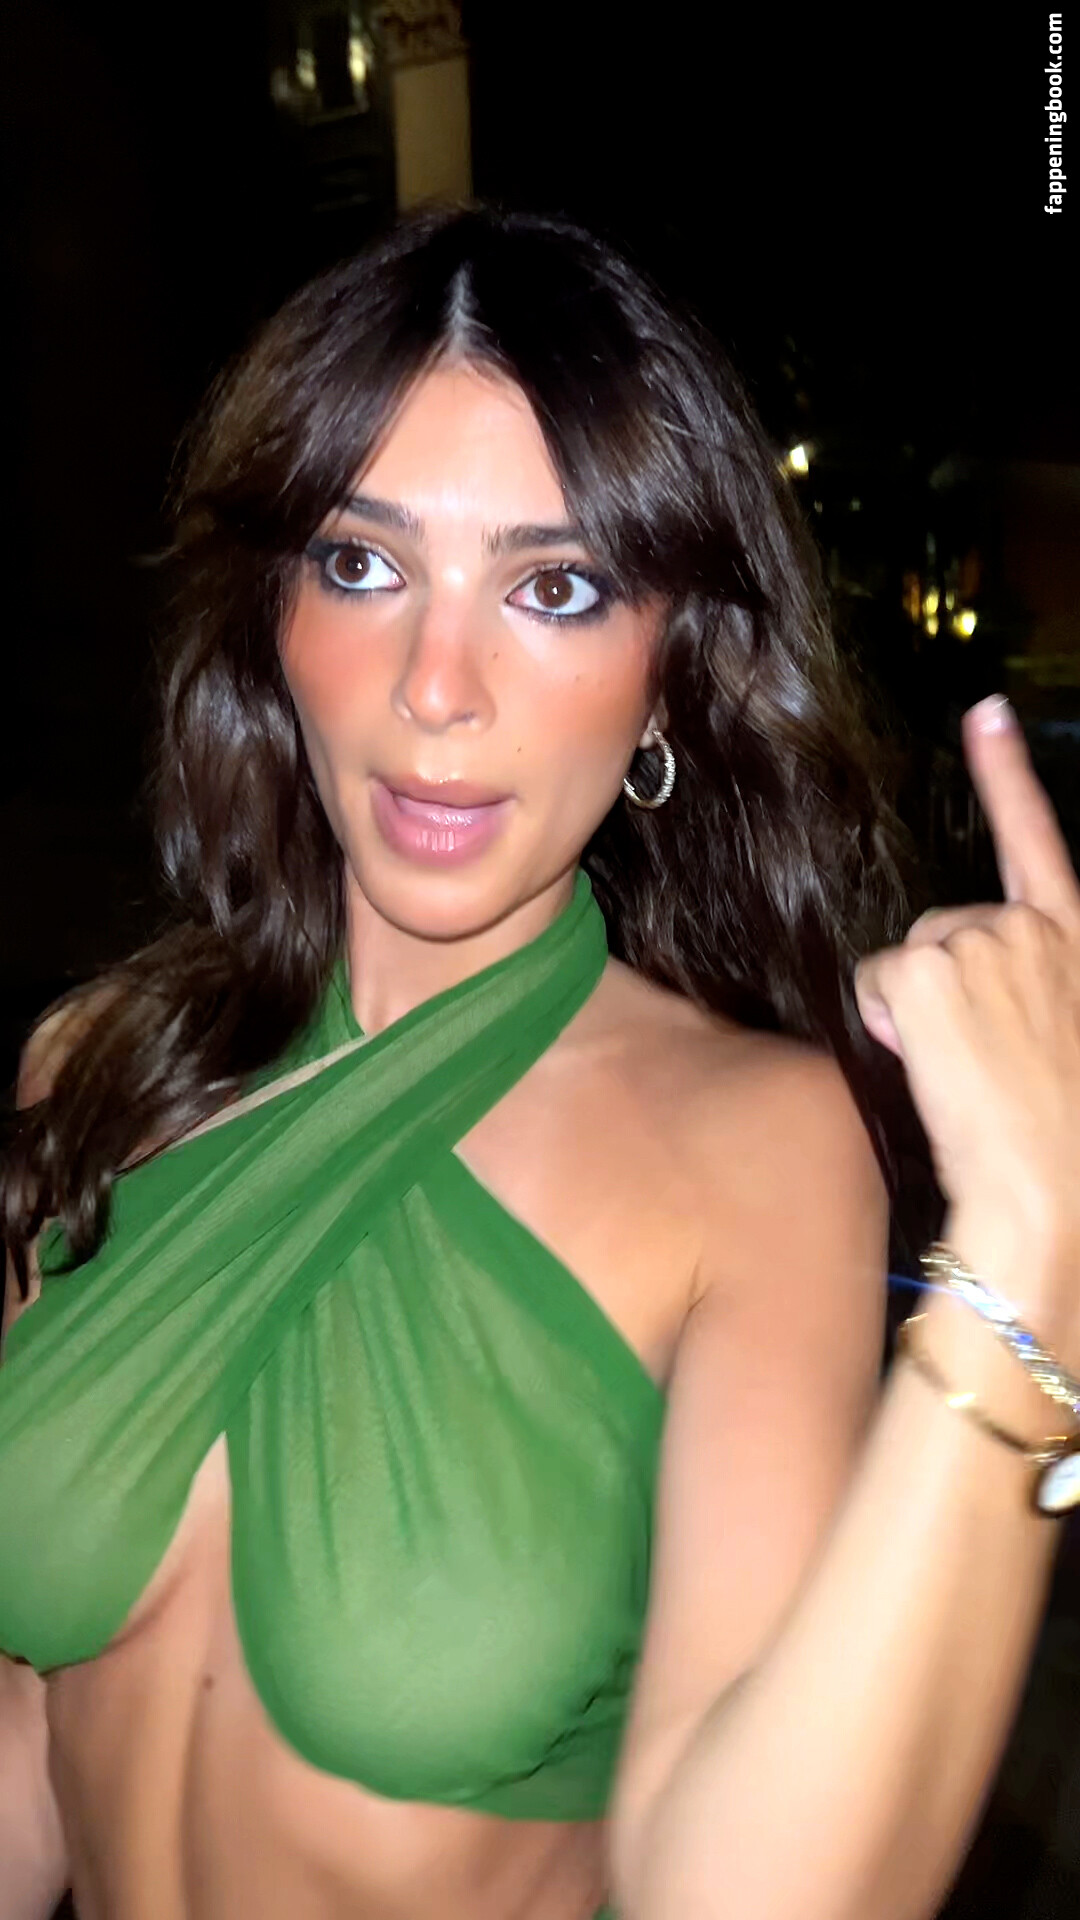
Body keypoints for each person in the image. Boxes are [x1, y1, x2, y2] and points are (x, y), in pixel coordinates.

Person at [0, 205, 1078, 1920]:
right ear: (275, 616)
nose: (439, 686)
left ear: (667, 682)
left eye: (555, 588)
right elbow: (30, 1759)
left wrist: (1035, 1241)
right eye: (364, 567)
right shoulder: (101, 1069)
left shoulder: (758, 1147)